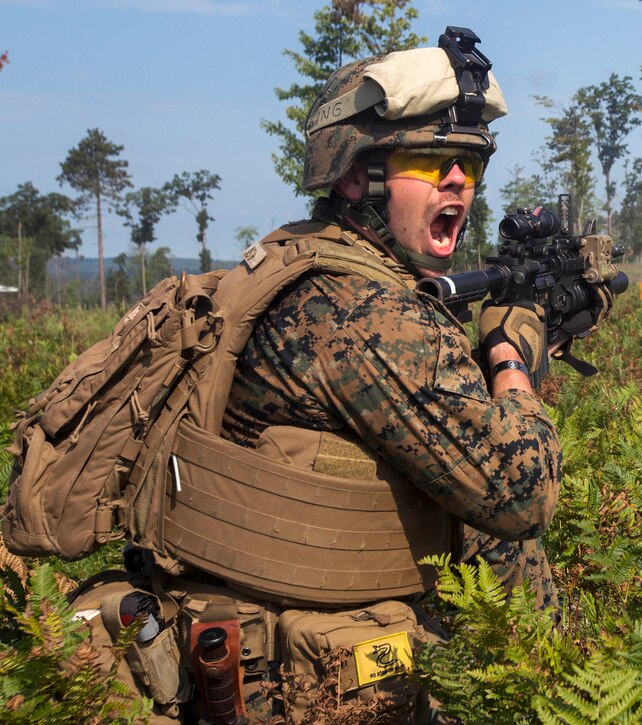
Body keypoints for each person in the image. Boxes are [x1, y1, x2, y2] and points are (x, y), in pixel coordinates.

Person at [65, 29, 590, 723]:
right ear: (354, 175)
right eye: (432, 161)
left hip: (245, 641)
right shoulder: (370, 314)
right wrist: (508, 352)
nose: (459, 181)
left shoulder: (286, 264)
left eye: (471, 165)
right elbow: (523, 492)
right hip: (319, 684)